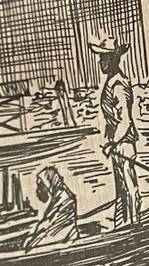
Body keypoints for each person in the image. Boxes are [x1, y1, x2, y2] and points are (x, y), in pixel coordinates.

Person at [91, 36, 141, 228]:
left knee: (129, 186)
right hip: (117, 142)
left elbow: (125, 120)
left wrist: (114, 143)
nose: (100, 62)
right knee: (121, 187)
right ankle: (123, 224)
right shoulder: (112, 81)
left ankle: (134, 224)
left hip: (124, 142)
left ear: (112, 59)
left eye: (103, 57)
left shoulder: (118, 83)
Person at [24, 164, 79, 249]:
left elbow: (52, 230)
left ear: (48, 184)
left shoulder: (65, 200)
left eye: (40, 185)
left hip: (61, 242)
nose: (38, 190)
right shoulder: (57, 198)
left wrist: (32, 243)